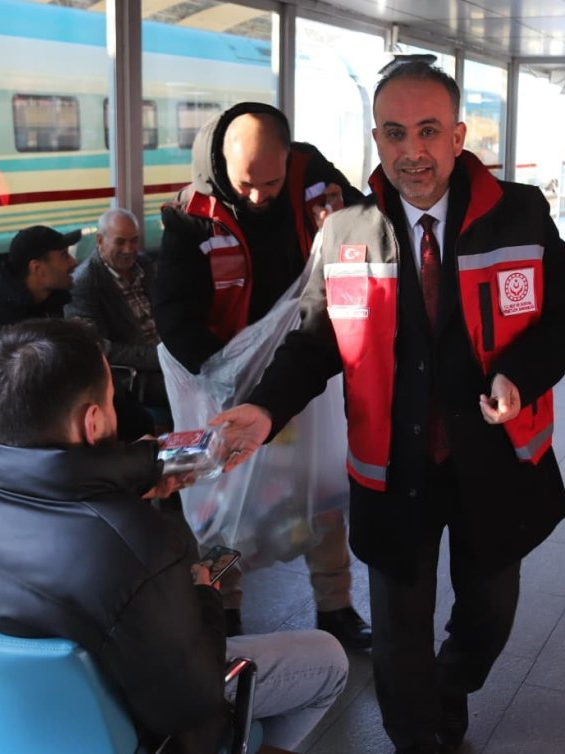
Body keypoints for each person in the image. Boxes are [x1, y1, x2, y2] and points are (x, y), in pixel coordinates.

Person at [212, 62, 565, 754]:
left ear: (457, 135)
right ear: (376, 139)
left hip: (495, 456)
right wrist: (264, 410)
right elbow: (312, 341)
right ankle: (416, 737)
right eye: (394, 133)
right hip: (391, 465)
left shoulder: (521, 213)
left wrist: (518, 375)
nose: (411, 152)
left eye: (427, 131)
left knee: (488, 618)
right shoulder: (346, 231)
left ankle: (452, 688)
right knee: (397, 632)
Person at [0, 319, 348, 754]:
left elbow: (47, 485)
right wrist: (205, 591)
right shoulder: (135, 546)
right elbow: (194, 700)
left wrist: (137, 469)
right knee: (327, 660)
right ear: (93, 422)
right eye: (112, 400)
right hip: (132, 730)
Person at [154, 101, 373, 648]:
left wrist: (340, 220)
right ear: (222, 163)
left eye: (270, 182)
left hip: (301, 369)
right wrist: (229, 378)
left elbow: (368, 222)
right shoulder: (189, 215)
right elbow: (174, 318)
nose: (258, 196)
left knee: (320, 490)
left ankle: (337, 607)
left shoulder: (312, 178)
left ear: (289, 157)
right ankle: (222, 607)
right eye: (246, 184)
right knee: (225, 507)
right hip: (225, 381)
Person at [0, 225, 154, 449]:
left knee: (136, 420)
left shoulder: (48, 305)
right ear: (37, 268)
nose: (73, 264)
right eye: (64, 256)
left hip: (51, 414)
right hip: (13, 437)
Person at [67, 208, 168, 414]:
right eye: (120, 242)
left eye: (134, 240)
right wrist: (158, 357)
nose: (129, 249)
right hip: (136, 374)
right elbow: (99, 347)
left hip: (167, 355)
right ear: (100, 241)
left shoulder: (145, 265)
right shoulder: (85, 283)